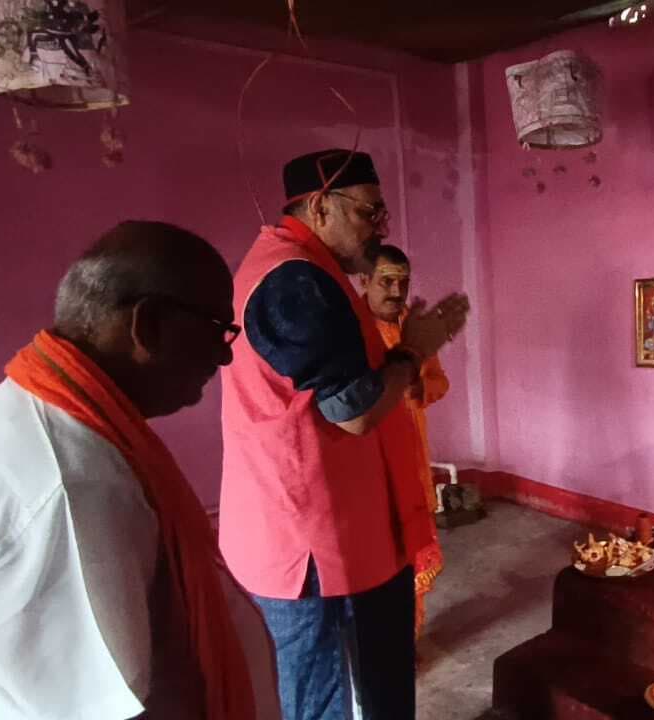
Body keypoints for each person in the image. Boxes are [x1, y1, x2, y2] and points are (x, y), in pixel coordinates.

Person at [0, 221, 277, 719]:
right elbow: (109, 706)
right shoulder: (74, 486)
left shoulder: (35, 410)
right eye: (215, 330)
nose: (224, 353)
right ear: (149, 325)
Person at [220, 148, 469, 720]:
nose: (380, 229)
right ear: (318, 206)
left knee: (378, 679)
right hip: (307, 538)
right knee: (321, 698)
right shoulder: (293, 281)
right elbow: (353, 411)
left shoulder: (310, 270)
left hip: (346, 524)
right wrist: (413, 350)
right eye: (368, 212)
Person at [362, 245, 449, 638]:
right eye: (386, 280)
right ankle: (379, 638)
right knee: (378, 559)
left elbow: (438, 381)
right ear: (364, 280)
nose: (396, 290)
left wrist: (415, 381)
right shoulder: (351, 328)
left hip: (413, 458)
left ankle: (408, 637)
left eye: (403, 281)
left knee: (413, 556)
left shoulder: (413, 328)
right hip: (370, 465)